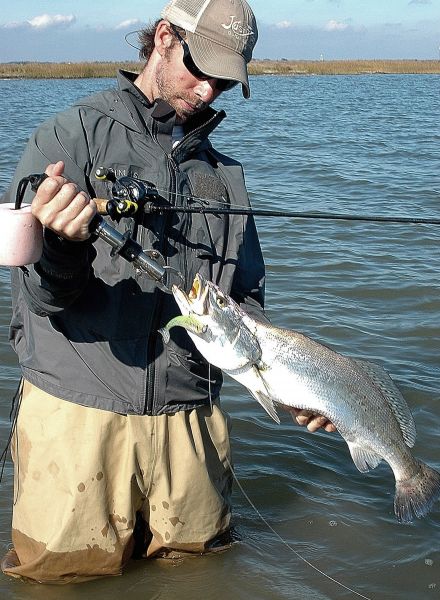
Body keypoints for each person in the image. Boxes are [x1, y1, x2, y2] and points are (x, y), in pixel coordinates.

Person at [1, 0, 334, 584]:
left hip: (191, 425)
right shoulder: (69, 136)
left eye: (224, 82)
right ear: (162, 38)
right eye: (201, 71)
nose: (208, 92)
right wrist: (61, 245)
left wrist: (285, 385)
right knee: (59, 581)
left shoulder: (225, 177)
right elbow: (41, 299)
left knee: (199, 578)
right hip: (77, 417)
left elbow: (245, 299)